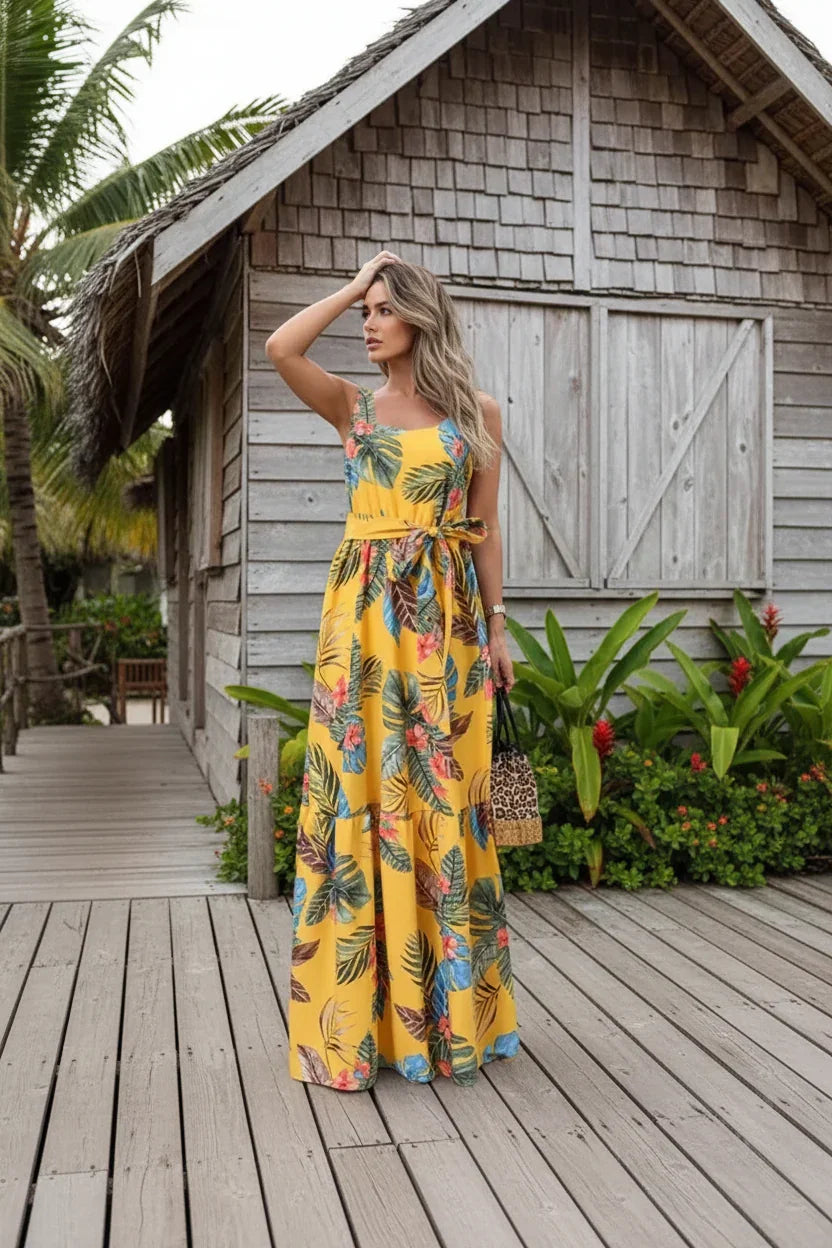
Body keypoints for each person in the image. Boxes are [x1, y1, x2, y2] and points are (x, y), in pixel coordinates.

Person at [266, 251, 520, 1091]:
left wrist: (498, 629)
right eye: (364, 311)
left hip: (445, 628)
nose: (367, 324)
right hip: (364, 629)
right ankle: (360, 1024)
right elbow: (280, 348)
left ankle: (444, 1022)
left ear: (419, 316)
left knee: (441, 799)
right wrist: (349, 285)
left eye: (381, 309)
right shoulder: (354, 407)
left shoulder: (477, 414)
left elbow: (483, 529)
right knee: (360, 793)